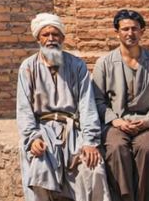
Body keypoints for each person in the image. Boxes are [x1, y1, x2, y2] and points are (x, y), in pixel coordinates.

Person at [17, 12, 110, 201]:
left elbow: (87, 104)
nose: (51, 39)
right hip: (42, 131)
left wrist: (90, 141)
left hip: (73, 131)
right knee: (38, 168)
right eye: (46, 35)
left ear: (62, 38)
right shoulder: (27, 67)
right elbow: (24, 108)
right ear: (38, 38)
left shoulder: (77, 65)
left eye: (55, 34)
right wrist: (32, 138)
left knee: (94, 169)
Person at [91, 9, 149, 201]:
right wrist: (116, 121)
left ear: (142, 30)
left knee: (148, 149)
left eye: (134, 28)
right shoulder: (104, 63)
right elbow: (98, 101)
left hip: (147, 124)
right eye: (125, 29)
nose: (130, 33)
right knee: (116, 148)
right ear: (117, 32)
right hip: (116, 123)